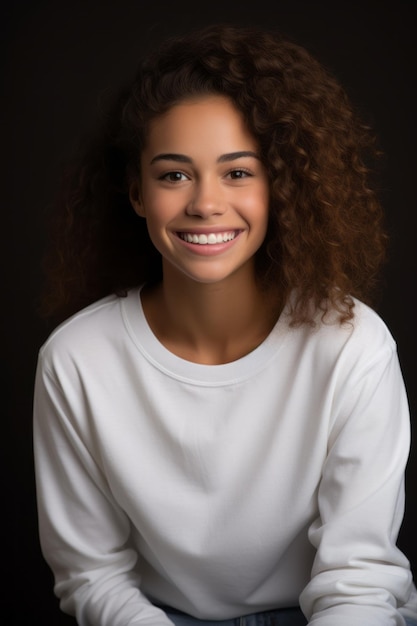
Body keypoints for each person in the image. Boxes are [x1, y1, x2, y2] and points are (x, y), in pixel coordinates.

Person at [33, 23, 417, 626]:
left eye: (238, 172)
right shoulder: (77, 359)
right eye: (174, 174)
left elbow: (359, 581)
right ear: (137, 193)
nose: (205, 203)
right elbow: (94, 575)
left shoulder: (352, 346)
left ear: (279, 188)